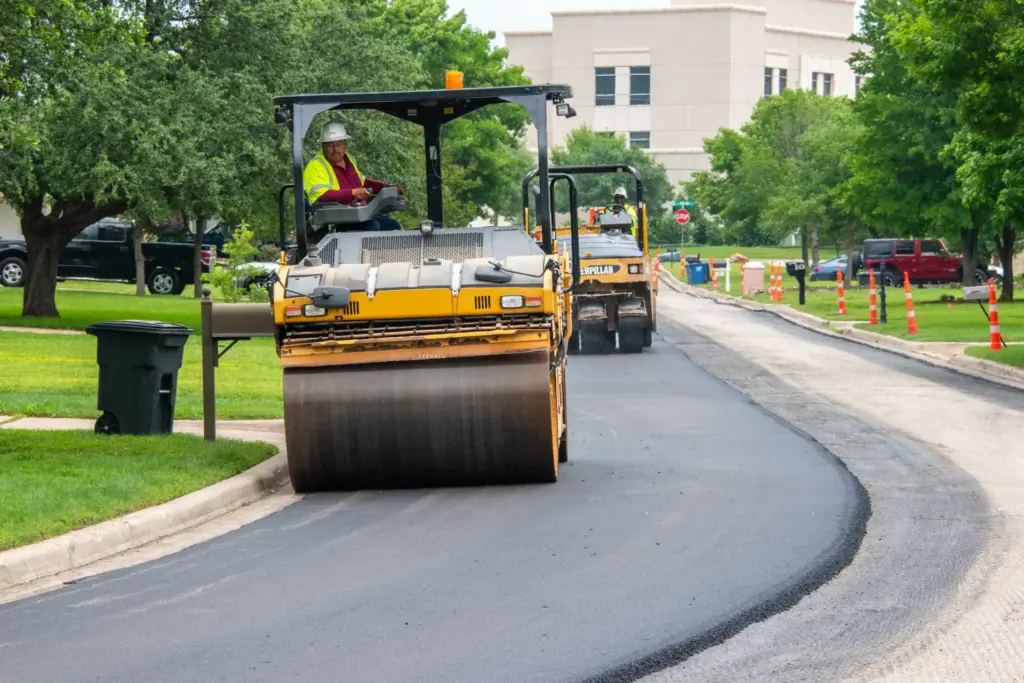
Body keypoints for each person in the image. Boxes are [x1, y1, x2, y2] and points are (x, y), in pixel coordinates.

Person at [303, 121, 405, 231]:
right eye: (330, 145)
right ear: (323, 146)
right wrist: (353, 193)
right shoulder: (315, 166)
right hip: (336, 218)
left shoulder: (348, 159)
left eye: (339, 143)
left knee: (392, 226)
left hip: (358, 214)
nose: (335, 149)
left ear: (345, 144)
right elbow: (322, 196)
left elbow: (362, 182)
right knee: (372, 226)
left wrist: (386, 187)